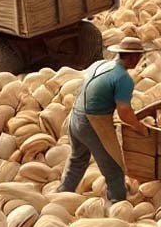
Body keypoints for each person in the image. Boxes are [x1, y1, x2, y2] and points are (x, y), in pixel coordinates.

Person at [58, 38, 153, 202]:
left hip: (75, 117)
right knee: (113, 166)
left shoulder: (100, 64)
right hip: (93, 123)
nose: (139, 60)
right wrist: (141, 128)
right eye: (139, 56)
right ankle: (118, 202)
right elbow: (124, 111)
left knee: (78, 159)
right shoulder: (123, 78)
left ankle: (61, 194)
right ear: (132, 58)